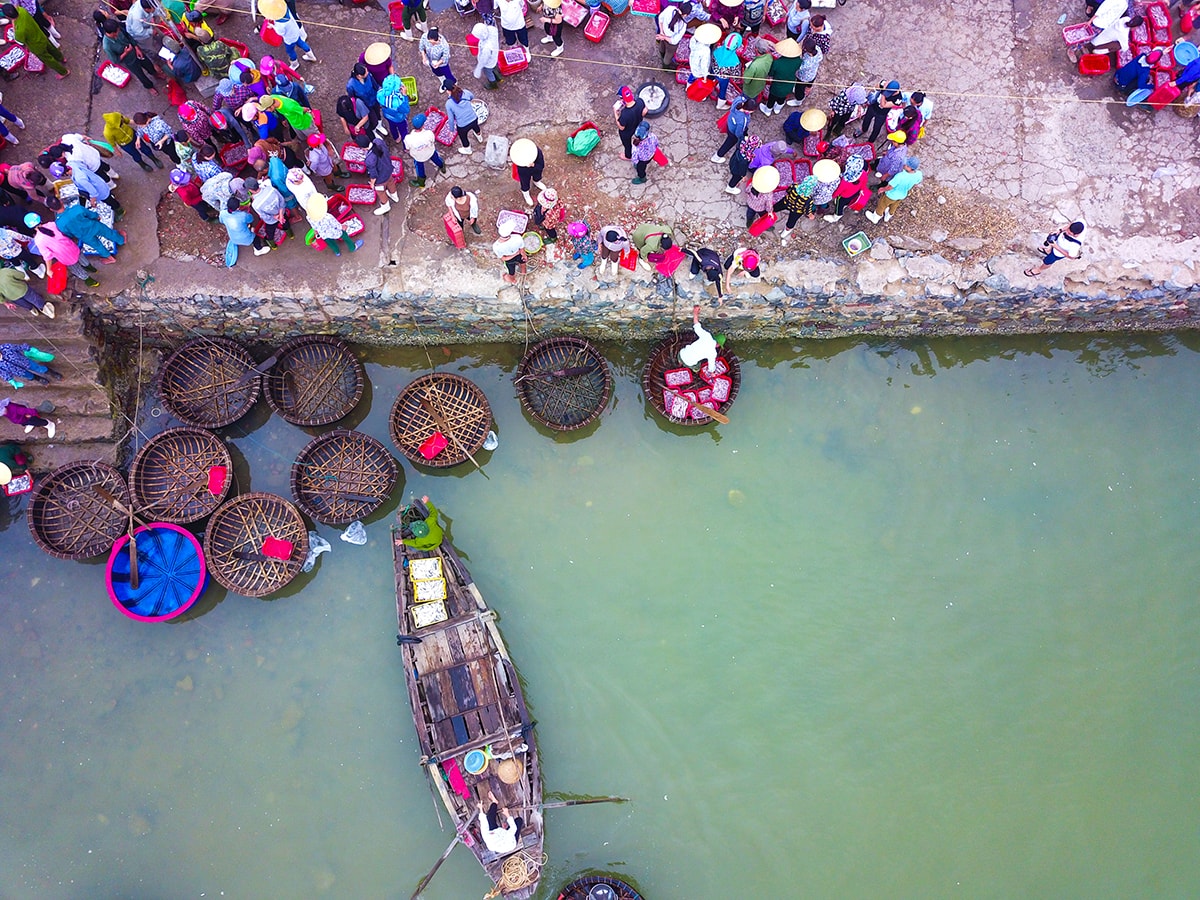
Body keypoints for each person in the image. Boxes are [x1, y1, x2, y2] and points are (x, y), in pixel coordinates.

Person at [3, 2, 66, 77]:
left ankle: (63, 72)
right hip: (42, 36)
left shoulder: (20, 31)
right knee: (52, 48)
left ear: (7, 16)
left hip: (37, 47)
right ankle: (62, 58)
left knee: (49, 60)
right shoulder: (22, 10)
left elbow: (20, 41)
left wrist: (14, 28)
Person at [101, 18, 157, 92]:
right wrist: (126, 53)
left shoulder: (118, 28)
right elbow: (115, 61)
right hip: (130, 61)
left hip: (136, 52)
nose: (119, 31)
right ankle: (149, 86)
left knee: (148, 63)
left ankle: (155, 73)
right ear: (112, 33)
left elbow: (129, 37)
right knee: (140, 75)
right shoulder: (107, 46)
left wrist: (136, 48)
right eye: (117, 31)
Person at [865, 156, 922, 224]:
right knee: (894, 205)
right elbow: (916, 183)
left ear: (910, 168)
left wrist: (882, 189)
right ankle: (888, 216)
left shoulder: (900, 176)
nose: (904, 165)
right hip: (902, 195)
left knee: (882, 205)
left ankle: (875, 217)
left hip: (891, 195)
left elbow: (890, 187)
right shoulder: (919, 174)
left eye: (907, 165)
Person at [759, 38, 804, 116]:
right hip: (789, 84)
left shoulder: (777, 63)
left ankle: (768, 110)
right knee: (782, 98)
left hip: (777, 86)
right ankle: (777, 109)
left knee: (772, 98)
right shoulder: (798, 61)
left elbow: (771, 73)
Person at [220, 196, 269, 262]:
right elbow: (251, 219)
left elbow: (221, 221)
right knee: (255, 237)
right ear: (238, 208)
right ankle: (258, 250)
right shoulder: (243, 215)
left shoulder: (222, 213)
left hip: (233, 238)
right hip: (246, 238)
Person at [403, 113, 445, 188]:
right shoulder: (429, 134)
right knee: (436, 159)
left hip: (418, 157)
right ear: (423, 126)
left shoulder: (408, 138)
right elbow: (432, 141)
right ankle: (442, 166)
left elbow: (407, 148)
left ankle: (421, 183)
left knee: (419, 168)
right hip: (430, 152)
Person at [363, 135, 401, 215]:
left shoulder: (369, 159)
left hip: (381, 179)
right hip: (388, 170)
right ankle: (395, 196)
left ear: (363, 148)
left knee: (381, 192)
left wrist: (372, 184)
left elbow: (373, 174)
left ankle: (386, 206)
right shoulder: (378, 142)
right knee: (391, 183)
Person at [712, 96, 750, 163]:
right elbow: (738, 133)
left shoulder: (739, 100)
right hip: (734, 133)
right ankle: (717, 157)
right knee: (728, 144)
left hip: (730, 124)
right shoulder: (743, 119)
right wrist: (741, 138)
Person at [446, 85, 482, 155]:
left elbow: (451, 119)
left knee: (463, 137)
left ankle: (468, 150)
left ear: (449, 91)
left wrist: (451, 130)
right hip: (474, 118)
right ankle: (479, 137)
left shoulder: (449, 103)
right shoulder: (465, 92)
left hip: (462, 125)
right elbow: (472, 97)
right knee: (476, 128)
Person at [510, 138, 547, 207]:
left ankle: (536, 182)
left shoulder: (538, 152)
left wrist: (533, 165)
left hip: (535, 168)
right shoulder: (518, 159)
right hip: (524, 171)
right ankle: (526, 194)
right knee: (525, 183)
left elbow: (541, 166)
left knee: (537, 176)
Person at [613, 86, 646, 161]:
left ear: (623, 99)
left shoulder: (625, 114)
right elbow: (645, 111)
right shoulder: (640, 102)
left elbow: (621, 127)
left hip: (627, 132)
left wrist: (615, 113)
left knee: (627, 144)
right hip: (637, 125)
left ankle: (628, 156)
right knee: (638, 137)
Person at [654, 2, 688, 69]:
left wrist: (661, 32)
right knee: (668, 57)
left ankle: (662, 57)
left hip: (663, 35)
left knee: (662, 48)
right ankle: (665, 68)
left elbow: (660, 18)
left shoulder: (670, 8)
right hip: (670, 43)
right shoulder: (683, 25)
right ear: (686, 15)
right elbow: (674, 41)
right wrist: (663, 36)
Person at [378, 74, 411, 141]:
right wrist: (404, 95)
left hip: (387, 116)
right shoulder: (398, 102)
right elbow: (406, 110)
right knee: (403, 131)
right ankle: (405, 146)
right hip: (399, 119)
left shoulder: (380, 94)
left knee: (392, 127)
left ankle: (396, 138)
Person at [420, 26, 455, 91]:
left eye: (433, 43)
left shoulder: (444, 45)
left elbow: (445, 57)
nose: (431, 44)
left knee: (448, 75)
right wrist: (424, 57)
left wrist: (438, 63)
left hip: (442, 64)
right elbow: (421, 47)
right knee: (437, 73)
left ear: (437, 39)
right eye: (429, 42)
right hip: (431, 62)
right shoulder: (424, 37)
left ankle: (453, 85)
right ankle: (443, 83)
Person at [472, 21, 501, 89]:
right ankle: (498, 77)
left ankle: (493, 85)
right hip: (494, 55)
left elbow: (483, 60)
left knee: (489, 73)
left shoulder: (486, 48)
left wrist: (478, 69)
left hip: (488, 63)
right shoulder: (492, 29)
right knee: (493, 67)